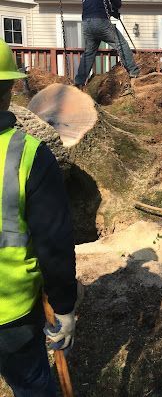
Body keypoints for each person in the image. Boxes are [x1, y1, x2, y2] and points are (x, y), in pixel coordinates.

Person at [0, 39, 78, 396]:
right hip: (11, 314)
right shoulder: (27, 154)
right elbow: (54, 243)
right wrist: (63, 307)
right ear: (9, 88)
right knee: (32, 386)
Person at [74, 0, 140, 88]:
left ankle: (79, 82)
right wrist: (114, 9)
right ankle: (134, 73)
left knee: (88, 53)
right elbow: (117, 2)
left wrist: (111, 12)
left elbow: (97, 5)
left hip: (87, 24)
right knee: (121, 44)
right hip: (100, 22)